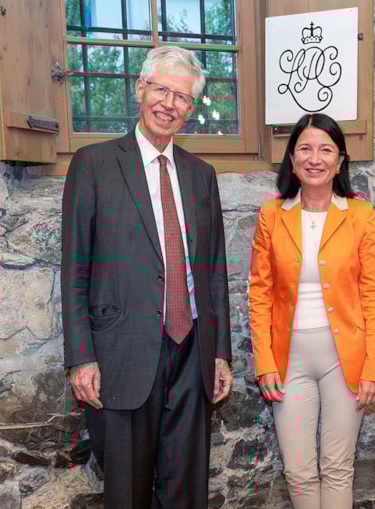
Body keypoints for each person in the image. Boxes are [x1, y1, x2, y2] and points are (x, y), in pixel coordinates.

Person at [61, 46, 233, 509]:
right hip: (122, 356)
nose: (168, 104)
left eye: (181, 96)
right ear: (140, 88)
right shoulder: (93, 165)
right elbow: (74, 268)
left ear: (191, 108)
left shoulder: (202, 175)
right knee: (127, 492)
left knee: (186, 490)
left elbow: (214, 271)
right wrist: (81, 356)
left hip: (192, 353)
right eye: (161, 89)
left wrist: (220, 353)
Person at [248, 113, 375, 509]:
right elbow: (260, 292)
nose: (315, 158)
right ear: (291, 159)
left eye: (326, 149)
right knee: (299, 470)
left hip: (345, 359)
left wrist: (374, 367)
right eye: (305, 149)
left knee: (338, 466)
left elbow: (374, 294)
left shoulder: (361, 216)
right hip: (287, 360)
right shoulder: (271, 215)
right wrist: (264, 361)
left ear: (340, 161)